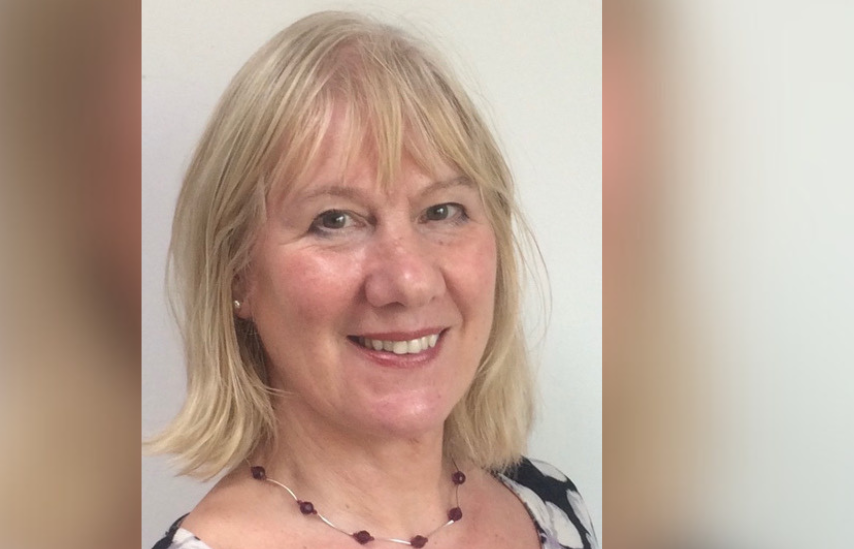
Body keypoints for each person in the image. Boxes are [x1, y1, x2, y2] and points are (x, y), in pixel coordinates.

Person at [148, 11, 596, 549]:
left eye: (443, 211)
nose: (409, 280)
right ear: (237, 274)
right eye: (335, 220)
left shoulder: (549, 504)